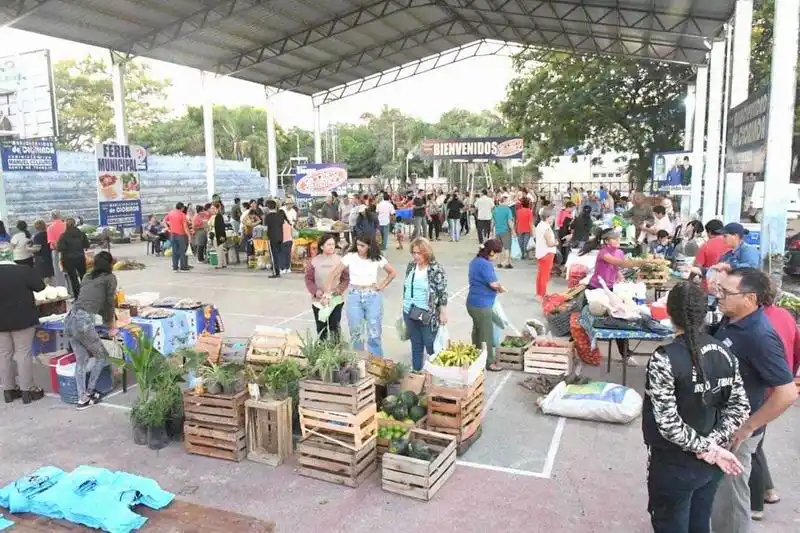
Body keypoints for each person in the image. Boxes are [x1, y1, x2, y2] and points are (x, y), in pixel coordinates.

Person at [643, 281, 750, 533]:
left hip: (675, 464)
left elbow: (669, 424)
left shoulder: (665, 357)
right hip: (710, 465)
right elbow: (740, 408)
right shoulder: (724, 351)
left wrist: (706, 447)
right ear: (704, 312)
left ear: (669, 313)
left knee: (672, 523)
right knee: (699, 522)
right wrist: (713, 445)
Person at [710, 268, 798, 533]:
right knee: (719, 494)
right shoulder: (733, 320)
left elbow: (787, 392)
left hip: (739, 431)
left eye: (726, 292)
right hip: (720, 424)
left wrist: (748, 427)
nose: (719, 296)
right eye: (719, 289)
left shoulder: (759, 336)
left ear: (750, 298)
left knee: (731, 498)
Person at [748, 279, 799, 520]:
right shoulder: (786, 316)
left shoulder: (756, 323)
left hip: (765, 391)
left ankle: (756, 505)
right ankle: (768, 490)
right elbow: (797, 351)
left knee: (752, 442)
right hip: (780, 385)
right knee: (757, 442)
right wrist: (788, 376)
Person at [63, 251, 119, 410]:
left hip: (70, 319)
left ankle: (82, 398)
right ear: (110, 265)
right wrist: (111, 325)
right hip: (83, 322)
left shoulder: (87, 276)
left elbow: (88, 298)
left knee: (81, 360)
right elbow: (108, 303)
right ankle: (90, 391)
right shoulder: (109, 278)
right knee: (102, 356)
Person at [326, 234, 397, 356]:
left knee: (374, 332)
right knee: (356, 332)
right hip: (355, 296)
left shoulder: (377, 258)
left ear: (369, 246)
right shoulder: (350, 257)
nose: (359, 248)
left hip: (372, 296)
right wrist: (327, 293)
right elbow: (333, 274)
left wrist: (382, 285)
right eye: (357, 244)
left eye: (362, 246)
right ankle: (358, 361)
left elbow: (392, 272)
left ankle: (376, 362)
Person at [0, 258, 46, 404]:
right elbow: (40, 287)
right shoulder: (23, 270)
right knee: (23, 353)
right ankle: (28, 390)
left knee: (4, 354)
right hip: (23, 319)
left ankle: (9, 390)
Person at [402, 238, 449, 372]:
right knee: (416, 345)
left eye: (419, 253)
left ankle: (436, 374)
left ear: (427, 253)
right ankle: (417, 372)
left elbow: (442, 293)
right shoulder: (411, 266)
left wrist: (443, 312)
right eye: (414, 253)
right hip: (409, 312)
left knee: (431, 345)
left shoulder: (435, 269)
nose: (416, 256)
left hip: (426, 314)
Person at [467, 239, 506, 372]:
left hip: (473, 303)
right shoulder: (485, 265)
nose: (496, 257)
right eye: (496, 254)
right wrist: (501, 288)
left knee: (477, 331)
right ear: (491, 252)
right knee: (486, 335)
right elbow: (493, 284)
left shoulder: (475, 261)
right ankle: (488, 362)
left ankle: (476, 356)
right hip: (482, 305)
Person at [305, 234, 350, 341]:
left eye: (333, 244)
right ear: (321, 247)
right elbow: (308, 279)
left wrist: (339, 290)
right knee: (321, 329)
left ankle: (335, 351)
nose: (331, 247)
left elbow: (346, 278)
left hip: (336, 300)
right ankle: (322, 352)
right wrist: (316, 291)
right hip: (318, 301)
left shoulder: (340, 260)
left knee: (334, 328)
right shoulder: (314, 261)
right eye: (328, 244)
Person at [57, 218, 90, 298]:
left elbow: (61, 248)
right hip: (80, 258)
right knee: (83, 276)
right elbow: (86, 245)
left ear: (66, 225)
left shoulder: (64, 236)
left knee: (73, 278)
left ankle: (77, 296)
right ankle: (87, 294)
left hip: (68, 260)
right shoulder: (81, 234)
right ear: (74, 224)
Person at [534, 208, 558, 300]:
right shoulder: (546, 228)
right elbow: (549, 243)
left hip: (540, 253)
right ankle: (543, 294)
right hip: (547, 253)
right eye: (552, 217)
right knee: (545, 276)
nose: (553, 219)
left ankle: (539, 293)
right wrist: (556, 243)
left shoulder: (540, 225)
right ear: (548, 217)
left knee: (540, 274)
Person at [165, 202, 191, 272]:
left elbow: (164, 221)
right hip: (181, 235)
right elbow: (185, 227)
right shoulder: (182, 215)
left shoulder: (170, 213)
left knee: (174, 251)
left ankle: (175, 267)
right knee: (182, 251)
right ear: (182, 208)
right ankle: (183, 267)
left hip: (172, 234)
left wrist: (168, 228)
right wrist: (189, 235)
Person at [492, 195, 515, 269]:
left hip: (497, 231)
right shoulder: (507, 210)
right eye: (508, 201)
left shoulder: (495, 209)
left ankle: (498, 263)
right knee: (507, 247)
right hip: (505, 231)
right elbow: (509, 221)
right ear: (504, 201)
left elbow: (493, 221)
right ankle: (506, 263)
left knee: (499, 248)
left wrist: (491, 231)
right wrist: (513, 231)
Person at [263, 200, 284, 279]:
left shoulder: (267, 216)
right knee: (278, 254)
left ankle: (276, 272)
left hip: (272, 238)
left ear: (268, 208)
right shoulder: (279, 215)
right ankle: (280, 269)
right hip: (280, 237)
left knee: (273, 255)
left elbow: (265, 229)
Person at [46, 211, 67, 287]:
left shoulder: (50, 228)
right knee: (69, 272)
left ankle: (62, 289)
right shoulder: (66, 225)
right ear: (60, 216)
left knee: (58, 272)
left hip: (57, 252)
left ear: (52, 217)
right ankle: (72, 291)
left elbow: (53, 243)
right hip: (68, 250)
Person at [207, 205, 227, 269]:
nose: (212, 209)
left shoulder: (218, 216)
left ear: (217, 209)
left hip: (218, 235)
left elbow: (219, 227)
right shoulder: (214, 216)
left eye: (213, 208)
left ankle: (219, 264)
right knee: (221, 250)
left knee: (219, 250)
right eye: (211, 208)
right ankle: (223, 263)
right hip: (218, 235)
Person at [279, 209, 294, 275]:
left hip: (282, 240)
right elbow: (292, 232)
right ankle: (288, 268)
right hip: (290, 240)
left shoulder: (279, 223)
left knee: (282, 255)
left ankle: (282, 268)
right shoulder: (288, 222)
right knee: (288, 255)